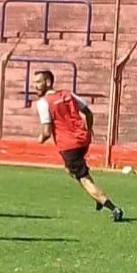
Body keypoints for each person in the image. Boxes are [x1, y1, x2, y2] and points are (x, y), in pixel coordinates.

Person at [33, 70, 123, 222]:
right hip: (83, 140)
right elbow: (88, 112)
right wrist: (89, 129)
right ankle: (96, 196)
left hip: (69, 145)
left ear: (48, 82)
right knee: (70, 169)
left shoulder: (43, 103)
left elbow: (47, 131)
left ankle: (113, 207)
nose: (35, 86)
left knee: (83, 178)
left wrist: (40, 138)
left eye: (38, 82)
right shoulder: (68, 95)